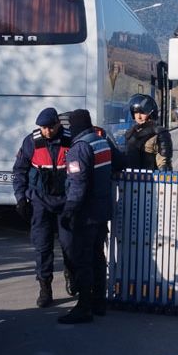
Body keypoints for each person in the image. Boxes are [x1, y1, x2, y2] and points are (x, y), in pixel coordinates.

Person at [12, 107, 75, 307]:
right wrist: (21, 198)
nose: (46, 131)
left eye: (50, 127)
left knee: (70, 245)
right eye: (43, 127)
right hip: (40, 202)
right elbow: (20, 170)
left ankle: (71, 276)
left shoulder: (70, 140)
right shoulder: (31, 142)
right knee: (42, 247)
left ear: (58, 124)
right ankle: (45, 288)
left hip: (65, 202)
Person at [57, 109, 113, 324]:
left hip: (86, 214)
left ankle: (84, 307)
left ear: (75, 127)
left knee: (83, 259)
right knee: (98, 257)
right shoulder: (101, 142)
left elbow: (78, 184)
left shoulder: (79, 149)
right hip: (102, 211)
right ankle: (99, 302)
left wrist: (69, 210)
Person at [124, 94, 172, 171]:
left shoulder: (159, 134)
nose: (139, 117)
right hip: (129, 178)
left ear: (151, 113)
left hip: (150, 180)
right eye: (136, 113)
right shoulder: (131, 132)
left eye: (142, 113)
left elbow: (163, 164)